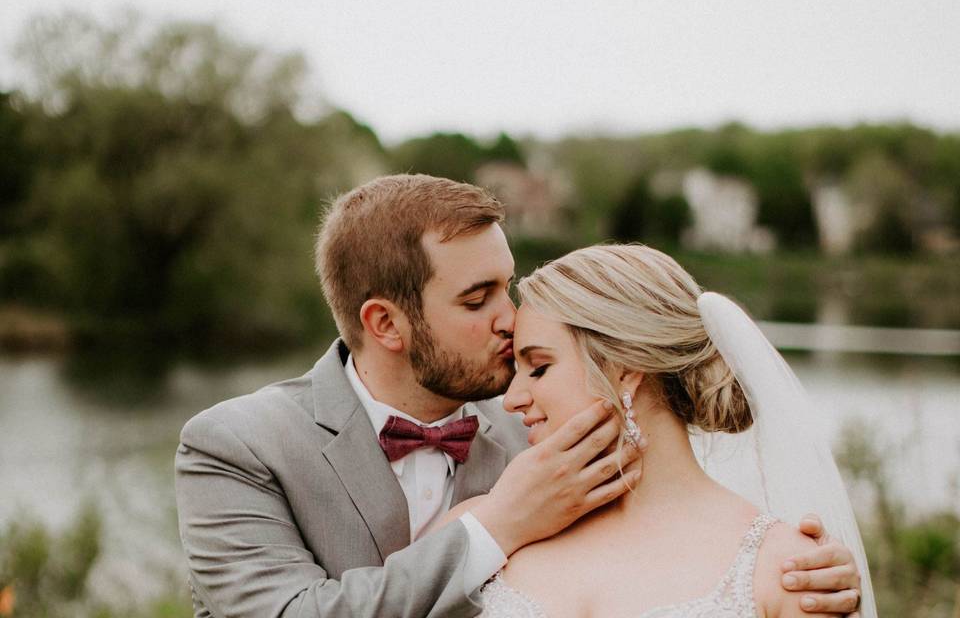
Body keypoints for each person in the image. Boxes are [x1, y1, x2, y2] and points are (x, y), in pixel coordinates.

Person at [175, 175, 865, 618]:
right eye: (478, 299)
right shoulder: (236, 447)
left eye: (507, 285)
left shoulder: (553, 437)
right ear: (385, 323)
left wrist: (787, 564)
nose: (510, 316)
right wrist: (499, 522)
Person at [457, 243, 873, 617]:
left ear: (624, 371)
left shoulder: (788, 569)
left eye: (540, 368)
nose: (512, 400)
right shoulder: (480, 533)